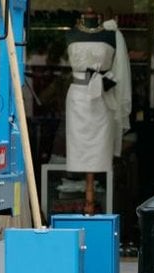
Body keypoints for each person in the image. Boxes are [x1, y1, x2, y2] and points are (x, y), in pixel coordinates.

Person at [64, 7, 131, 214]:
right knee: (78, 151)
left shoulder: (112, 34)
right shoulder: (70, 33)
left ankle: (93, 202)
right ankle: (84, 200)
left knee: (101, 155)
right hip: (77, 98)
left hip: (102, 99)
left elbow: (118, 70)